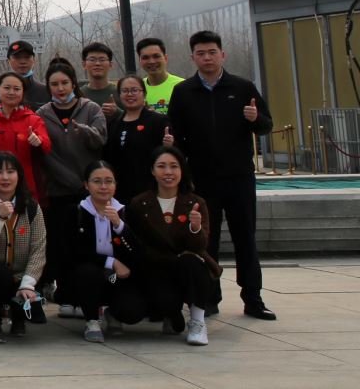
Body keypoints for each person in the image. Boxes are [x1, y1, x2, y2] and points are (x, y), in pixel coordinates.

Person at [169, 29, 276, 320]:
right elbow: (176, 136)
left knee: (246, 239)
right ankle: (209, 297)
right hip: (202, 180)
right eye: (201, 53)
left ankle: (253, 298)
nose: (207, 58)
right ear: (193, 57)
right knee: (206, 240)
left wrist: (255, 119)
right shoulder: (183, 92)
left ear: (222, 54)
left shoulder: (242, 87)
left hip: (239, 178)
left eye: (212, 52)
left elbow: (267, 125)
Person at [128, 146, 220, 345]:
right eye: (161, 166)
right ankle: (171, 314)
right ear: (152, 170)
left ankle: (197, 322)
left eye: (174, 166)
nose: (168, 172)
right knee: (152, 303)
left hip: (186, 268)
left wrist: (195, 227)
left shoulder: (195, 203)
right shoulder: (139, 203)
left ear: (182, 170)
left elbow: (201, 245)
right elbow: (136, 243)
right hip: (156, 269)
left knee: (191, 262)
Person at [36, 60, 106, 311]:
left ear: (74, 83)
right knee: (61, 245)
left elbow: (100, 141)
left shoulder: (91, 108)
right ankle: (65, 295)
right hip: (58, 191)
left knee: (87, 246)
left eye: (65, 83)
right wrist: (68, 179)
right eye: (54, 84)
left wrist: (85, 131)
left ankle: (88, 298)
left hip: (89, 191)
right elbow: (44, 154)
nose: (60, 88)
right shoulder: (42, 114)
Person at [0, 152, 46, 343]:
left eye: (11, 171)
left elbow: (38, 250)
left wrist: (27, 284)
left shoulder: (32, 207)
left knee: (34, 308)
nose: (5, 177)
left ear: (19, 175)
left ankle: (19, 319)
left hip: (22, 277)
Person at [65, 161, 143, 343]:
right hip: (89, 275)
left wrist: (119, 225)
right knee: (87, 273)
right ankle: (92, 320)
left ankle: (113, 313)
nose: (103, 186)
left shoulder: (126, 212)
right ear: (86, 185)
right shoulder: (75, 212)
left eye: (109, 181)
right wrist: (111, 262)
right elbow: (73, 252)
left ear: (115, 184)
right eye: (97, 181)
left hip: (119, 278)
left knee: (132, 311)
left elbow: (137, 252)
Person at [0, 72, 52, 205]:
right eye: (7, 88)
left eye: (16, 89)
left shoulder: (33, 120)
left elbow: (46, 145)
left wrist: (38, 141)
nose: (11, 92)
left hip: (29, 189)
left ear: (23, 92)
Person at [103, 74, 170, 204]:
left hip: (152, 189)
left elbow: (171, 153)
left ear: (144, 94)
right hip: (121, 192)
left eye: (134, 90)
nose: (130, 94)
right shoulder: (114, 124)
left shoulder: (158, 121)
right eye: (125, 91)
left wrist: (169, 145)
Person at [0, 41, 51, 114]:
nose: (22, 61)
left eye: (27, 57)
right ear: (8, 61)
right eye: (17, 57)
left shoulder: (46, 92)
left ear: (34, 59)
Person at [137, 38, 187, 116]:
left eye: (156, 56)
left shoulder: (183, 86)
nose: (152, 61)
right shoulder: (137, 88)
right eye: (145, 58)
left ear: (165, 58)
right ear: (140, 61)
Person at [80, 43, 120, 119]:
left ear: (110, 64)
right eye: (92, 60)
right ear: (84, 64)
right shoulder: (78, 94)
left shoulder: (120, 93)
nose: (97, 63)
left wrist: (117, 112)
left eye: (102, 60)